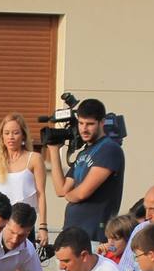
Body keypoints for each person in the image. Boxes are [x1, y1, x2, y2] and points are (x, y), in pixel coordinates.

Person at [46, 98, 125, 242]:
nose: (84, 129)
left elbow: (82, 193)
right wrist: (53, 151)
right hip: (72, 232)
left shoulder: (109, 149)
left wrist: (69, 196)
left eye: (90, 124)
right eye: (81, 123)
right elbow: (60, 189)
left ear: (102, 123)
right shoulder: (84, 153)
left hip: (94, 235)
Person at [0, 113, 47, 232]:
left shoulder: (34, 159)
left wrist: (43, 226)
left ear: (23, 135)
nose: (11, 137)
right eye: (6, 133)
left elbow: (40, 194)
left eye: (15, 133)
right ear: (2, 136)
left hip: (24, 223)